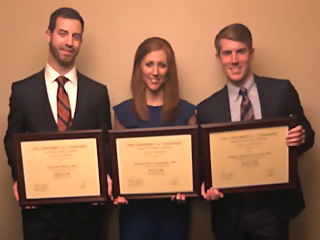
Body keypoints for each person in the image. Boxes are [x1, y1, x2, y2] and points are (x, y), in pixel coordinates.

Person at [197, 23, 315, 240]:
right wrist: (207, 184)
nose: (234, 60)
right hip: (229, 211)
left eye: (240, 51)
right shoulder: (206, 109)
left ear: (251, 54)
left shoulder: (281, 91)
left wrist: (301, 137)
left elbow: (308, 134)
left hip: (273, 209)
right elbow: (204, 161)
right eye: (227, 53)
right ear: (218, 58)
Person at [4, 7, 112, 240]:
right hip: (40, 215)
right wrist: (19, 178)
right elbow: (12, 140)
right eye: (63, 33)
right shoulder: (22, 91)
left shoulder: (98, 93)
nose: (69, 42)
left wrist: (105, 177)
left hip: (86, 215)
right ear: (49, 35)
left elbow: (105, 143)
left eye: (76, 36)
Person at [113, 37, 196, 240]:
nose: (155, 72)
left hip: (174, 212)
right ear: (139, 67)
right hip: (135, 213)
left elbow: (194, 165)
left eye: (162, 65)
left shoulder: (187, 112)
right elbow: (117, 165)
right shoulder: (123, 112)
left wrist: (188, 187)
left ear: (170, 70)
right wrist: (119, 188)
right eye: (149, 64)